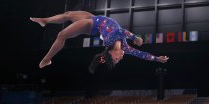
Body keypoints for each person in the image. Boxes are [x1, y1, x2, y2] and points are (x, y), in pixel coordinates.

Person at [30, 11, 169, 74]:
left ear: (111, 52)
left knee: (61, 35)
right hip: (96, 18)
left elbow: (120, 31)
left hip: (92, 25)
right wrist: (157, 59)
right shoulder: (125, 48)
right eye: (118, 60)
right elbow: (141, 54)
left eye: (116, 59)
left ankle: (47, 59)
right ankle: (44, 20)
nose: (120, 58)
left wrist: (134, 38)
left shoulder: (109, 41)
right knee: (67, 14)